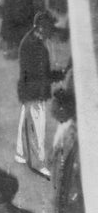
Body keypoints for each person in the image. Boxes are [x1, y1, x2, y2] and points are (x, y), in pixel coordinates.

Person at [15, 11, 64, 179]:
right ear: (41, 28)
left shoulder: (31, 41)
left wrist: (57, 75)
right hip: (34, 92)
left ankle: (21, 153)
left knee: (26, 120)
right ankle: (39, 164)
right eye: (50, 28)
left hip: (28, 90)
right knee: (37, 127)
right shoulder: (35, 46)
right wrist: (59, 76)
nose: (51, 32)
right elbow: (41, 75)